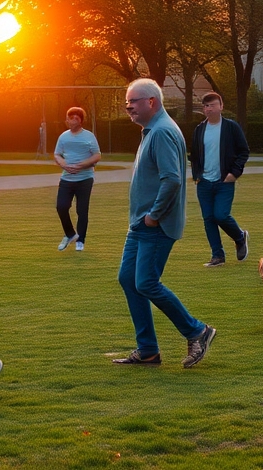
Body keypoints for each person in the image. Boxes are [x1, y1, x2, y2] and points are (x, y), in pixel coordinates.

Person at [112, 78, 216, 368]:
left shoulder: (162, 132)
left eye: (133, 101)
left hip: (155, 225)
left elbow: (172, 179)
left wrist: (154, 215)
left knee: (145, 281)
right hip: (140, 225)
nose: (128, 107)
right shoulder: (152, 130)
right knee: (128, 280)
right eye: (127, 102)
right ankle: (148, 350)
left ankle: (198, 330)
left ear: (151, 102)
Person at [189, 92, 249, 266]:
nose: (209, 108)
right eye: (206, 106)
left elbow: (243, 151)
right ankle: (217, 255)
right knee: (208, 219)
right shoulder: (199, 129)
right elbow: (194, 154)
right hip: (204, 182)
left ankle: (239, 237)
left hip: (224, 181)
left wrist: (234, 173)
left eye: (213, 105)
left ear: (221, 106)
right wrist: (197, 176)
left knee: (221, 215)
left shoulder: (231, 127)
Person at [53, 106, 102, 252]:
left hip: (85, 179)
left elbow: (97, 155)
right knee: (61, 207)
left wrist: (82, 165)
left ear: (81, 121)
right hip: (67, 179)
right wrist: (64, 165)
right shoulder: (63, 137)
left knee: (82, 210)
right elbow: (57, 154)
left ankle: (80, 240)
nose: (72, 120)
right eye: (70, 118)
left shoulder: (89, 137)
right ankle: (70, 234)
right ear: (66, 120)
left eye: (76, 118)